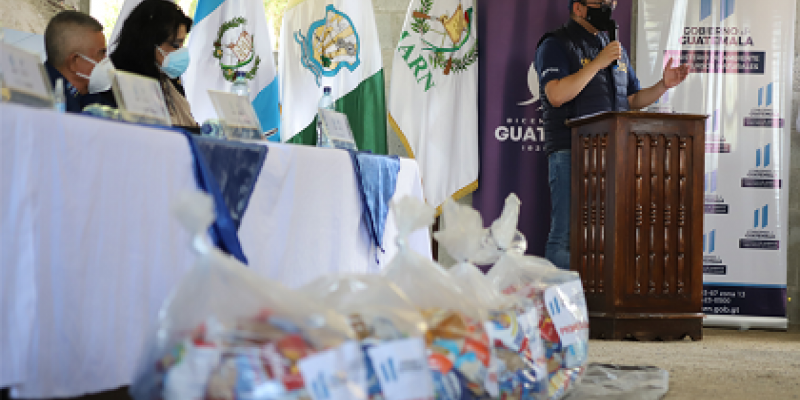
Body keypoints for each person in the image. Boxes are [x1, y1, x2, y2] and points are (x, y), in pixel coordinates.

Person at [535, 0, 689, 271]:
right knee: (565, 236)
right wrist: (597, 62)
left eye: (610, 2)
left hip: (611, 155)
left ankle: (593, 305)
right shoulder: (555, 43)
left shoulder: (614, 48)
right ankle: (556, 308)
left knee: (604, 237)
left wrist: (664, 85)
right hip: (570, 152)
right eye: (600, 3)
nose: (608, 7)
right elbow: (556, 95)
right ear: (579, 8)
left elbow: (633, 99)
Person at [110, 0, 197, 127]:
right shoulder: (118, 82)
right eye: (174, 44)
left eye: (182, 43)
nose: (180, 51)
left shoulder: (170, 81)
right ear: (147, 43)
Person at [43, 11, 117, 113]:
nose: (106, 60)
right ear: (75, 62)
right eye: (101, 54)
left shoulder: (86, 94)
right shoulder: (46, 103)